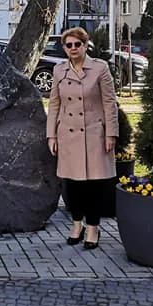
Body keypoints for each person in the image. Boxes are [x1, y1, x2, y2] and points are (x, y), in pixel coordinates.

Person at [46, 27, 118, 250]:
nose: (73, 49)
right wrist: (51, 134)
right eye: (69, 45)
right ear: (64, 48)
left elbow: (109, 103)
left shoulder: (99, 68)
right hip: (68, 134)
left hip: (94, 134)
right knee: (73, 185)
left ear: (86, 46)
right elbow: (54, 103)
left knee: (94, 185)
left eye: (77, 44)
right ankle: (77, 225)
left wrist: (111, 134)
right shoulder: (59, 71)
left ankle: (93, 227)